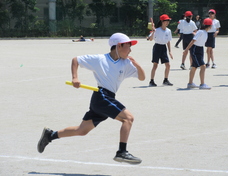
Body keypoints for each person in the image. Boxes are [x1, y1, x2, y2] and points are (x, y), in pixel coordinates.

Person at [37, 33, 146, 164]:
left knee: (81, 130)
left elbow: (142, 77)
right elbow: (75, 60)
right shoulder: (100, 59)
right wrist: (75, 78)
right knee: (128, 118)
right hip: (102, 96)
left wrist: (137, 64)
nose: (130, 50)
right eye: (128, 46)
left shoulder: (126, 63)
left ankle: (50, 135)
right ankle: (122, 152)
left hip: (106, 98)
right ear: (119, 46)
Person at [184, 18, 213, 90]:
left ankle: (190, 83)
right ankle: (202, 84)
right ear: (209, 26)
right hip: (195, 49)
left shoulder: (205, 32)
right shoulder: (201, 32)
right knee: (203, 66)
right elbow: (193, 41)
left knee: (194, 66)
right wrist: (186, 50)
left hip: (200, 49)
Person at [148, 14, 173, 86]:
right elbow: (150, 39)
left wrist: (170, 51)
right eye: (166, 21)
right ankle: (151, 81)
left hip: (163, 48)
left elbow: (168, 41)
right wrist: (153, 31)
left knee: (168, 65)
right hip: (157, 47)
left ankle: (165, 80)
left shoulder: (168, 31)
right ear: (162, 21)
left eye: (168, 21)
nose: (167, 22)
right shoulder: (157, 30)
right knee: (155, 65)